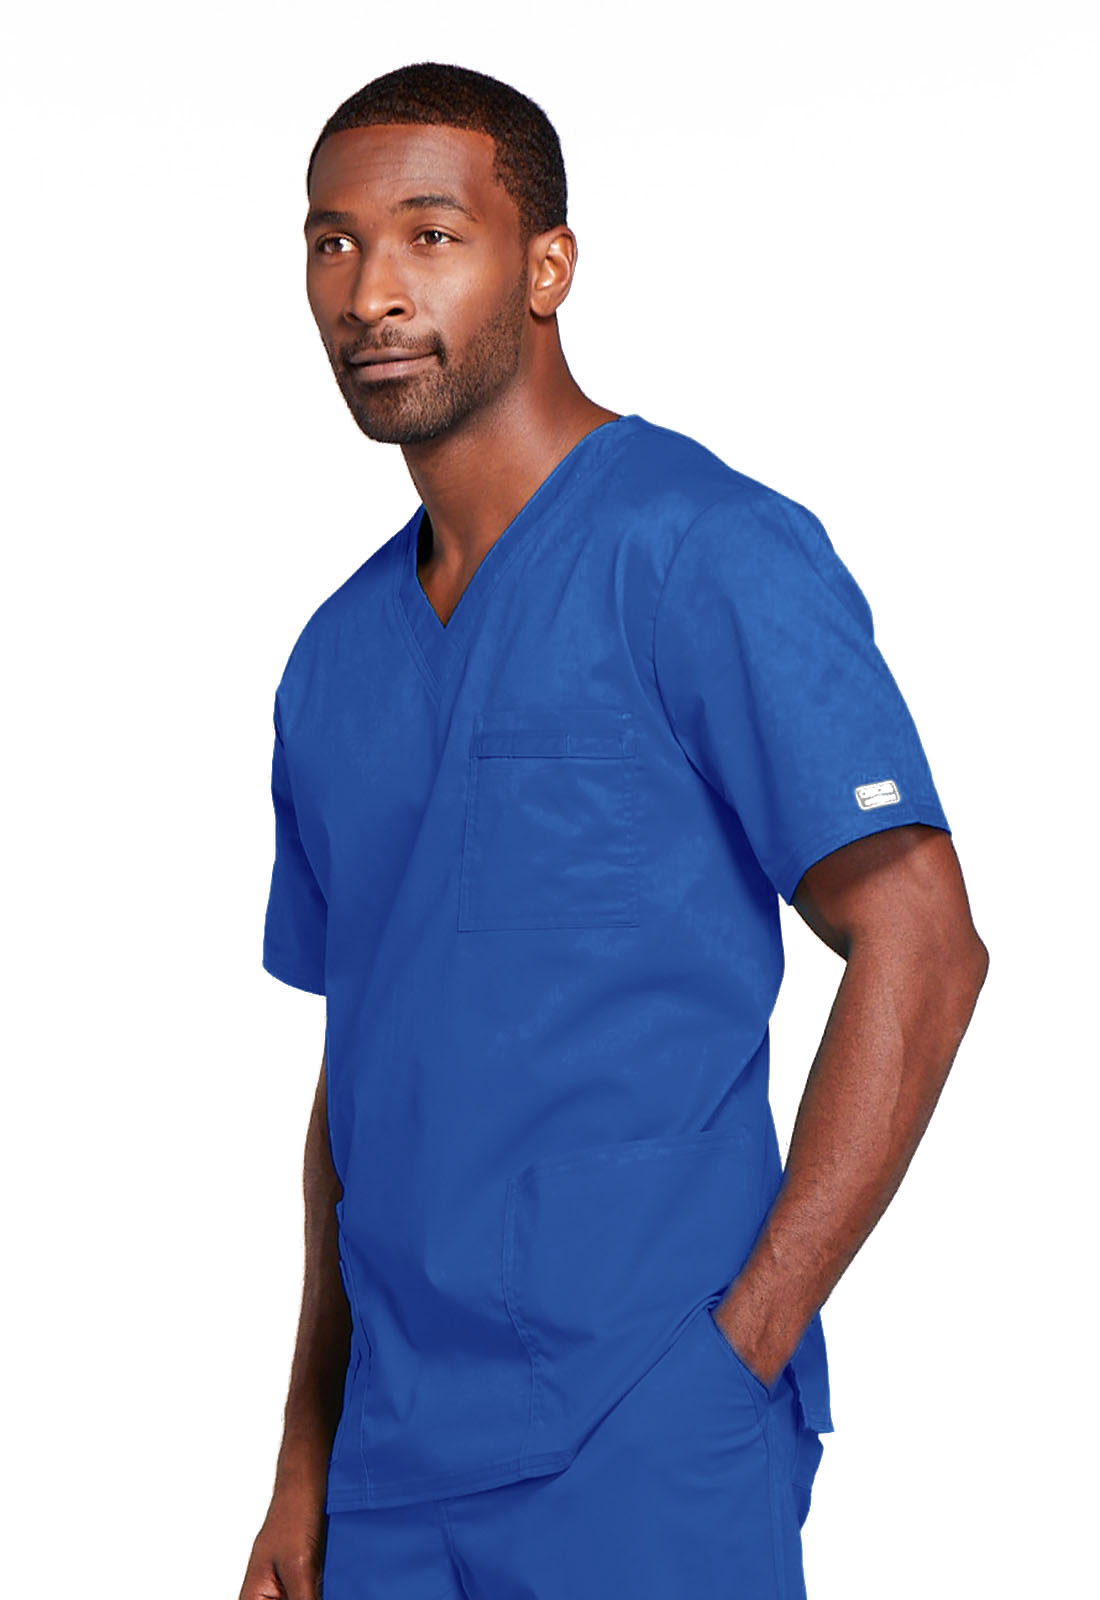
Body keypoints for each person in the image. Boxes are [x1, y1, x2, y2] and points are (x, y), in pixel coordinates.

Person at [239, 61, 989, 1600]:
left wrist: (743, 1346)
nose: (372, 291)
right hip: (388, 1475)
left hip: (641, 1441)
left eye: (432, 235)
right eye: (333, 242)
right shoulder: (332, 661)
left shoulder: (703, 552)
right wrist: (304, 1463)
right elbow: (358, 1077)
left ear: (548, 267)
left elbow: (925, 945)